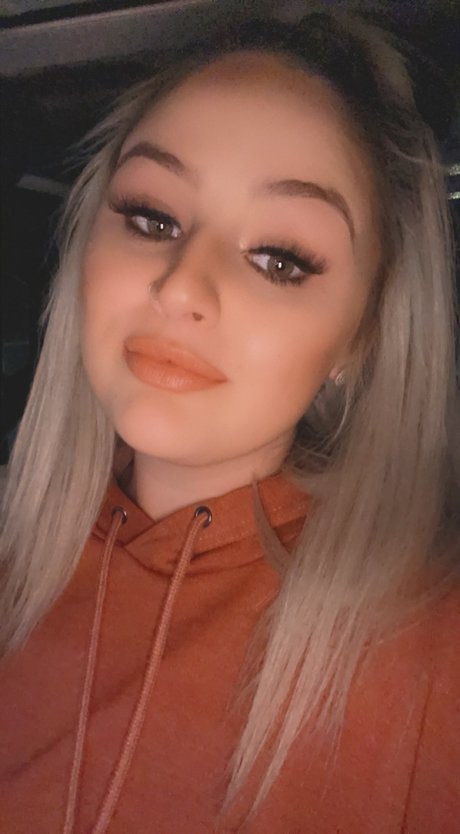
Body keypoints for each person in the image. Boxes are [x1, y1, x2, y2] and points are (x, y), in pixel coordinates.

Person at [0, 9, 459, 834]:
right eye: (152, 217)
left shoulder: (436, 655)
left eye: (280, 260)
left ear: (360, 335)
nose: (181, 286)